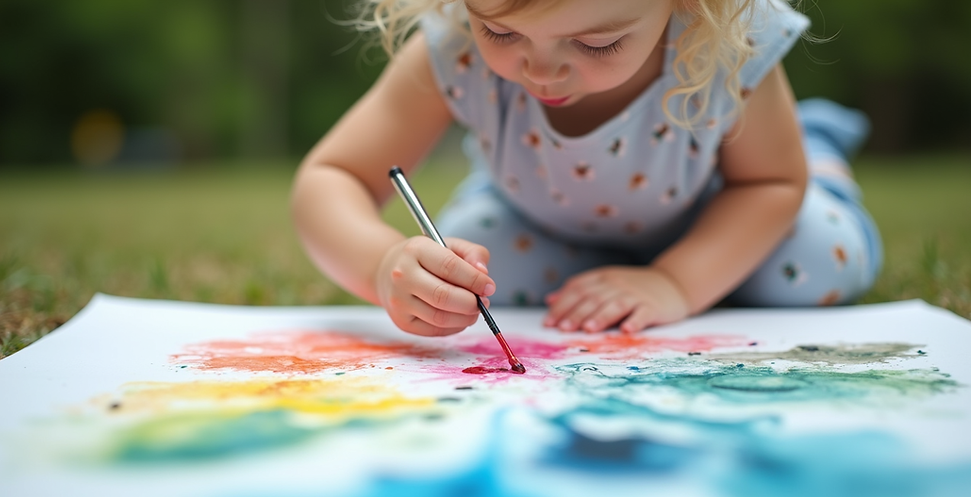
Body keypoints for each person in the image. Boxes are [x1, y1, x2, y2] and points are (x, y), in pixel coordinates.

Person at [292, 0, 882, 337]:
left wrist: (676, 283)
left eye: (597, 45)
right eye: (500, 30)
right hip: (546, 220)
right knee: (483, 272)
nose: (541, 71)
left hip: (715, 209)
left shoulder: (723, 41)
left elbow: (769, 184)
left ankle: (817, 143)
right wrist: (380, 265)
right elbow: (334, 176)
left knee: (814, 264)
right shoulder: (453, 45)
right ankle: (607, 271)